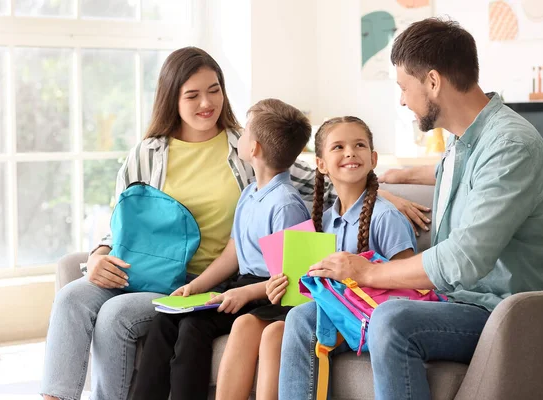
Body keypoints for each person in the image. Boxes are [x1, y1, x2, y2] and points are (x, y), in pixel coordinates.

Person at [279, 18, 543, 400]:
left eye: (403, 87)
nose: (402, 100)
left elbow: (464, 260)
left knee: (392, 319)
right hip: (456, 299)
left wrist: (369, 272)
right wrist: (399, 177)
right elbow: (468, 179)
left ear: (432, 81)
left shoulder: (511, 146)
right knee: (305, 318)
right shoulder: (464, 143)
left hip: (501, 311)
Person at [40, 48, 328, 400]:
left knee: (116, 315)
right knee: (71, 296)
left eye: (215, 89)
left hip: (198, 279)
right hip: (141, 268)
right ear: (171, 97)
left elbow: (319, 180)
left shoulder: (246, 144)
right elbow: (120, 220)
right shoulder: (147, 153)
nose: (207, 103)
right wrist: (99, 254)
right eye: (192, 95)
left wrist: (381, 191)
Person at [216, 116, 417, 400]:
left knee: (276, 335)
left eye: (359, 145)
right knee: (248, 324)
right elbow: (308, 289)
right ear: (320, 164)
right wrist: (277, 287)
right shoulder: (323, 220)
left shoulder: (385, 217)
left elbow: (410, 285)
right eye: (338, 147)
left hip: (366, 319)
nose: (350, 152)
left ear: (372, 158)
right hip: (327, 311)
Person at [130, 98, 313, 400]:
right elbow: (233, 252)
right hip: (240, 287)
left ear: (253, 149)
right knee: (165, 319)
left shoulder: (285, 204)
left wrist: (243, 294)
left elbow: (292, 279)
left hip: (268, 297)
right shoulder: (250, 194)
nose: (238, 137)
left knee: (193, 328)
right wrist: (195, 286)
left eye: (244, 133)